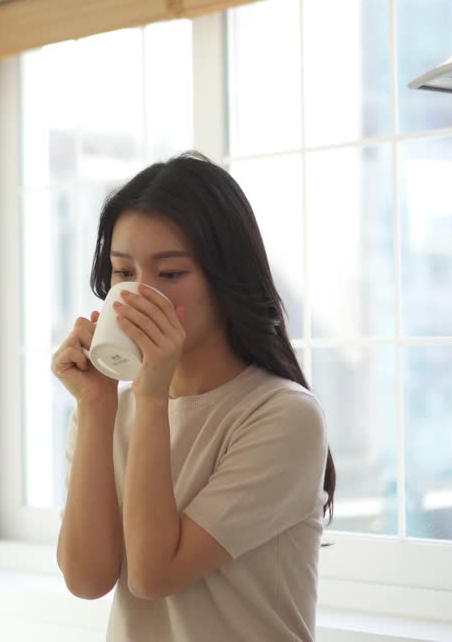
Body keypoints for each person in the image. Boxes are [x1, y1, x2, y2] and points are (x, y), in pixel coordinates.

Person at [53, 151, 336, 641]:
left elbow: (152, 575)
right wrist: (96, 406)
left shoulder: (283, 416)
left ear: (226, 279)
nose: (141, 295)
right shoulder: (109, 409)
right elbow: (86, 578)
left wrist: (152, 397)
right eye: (123, 273)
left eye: (169, 274)